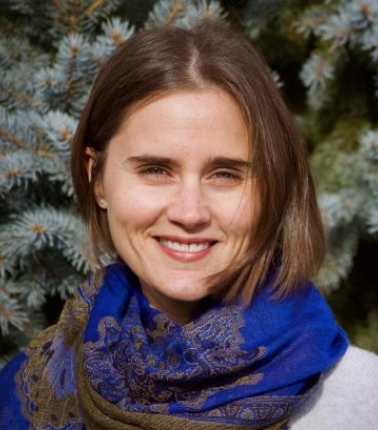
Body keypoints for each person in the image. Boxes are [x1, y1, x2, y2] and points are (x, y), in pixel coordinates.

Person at [0, 20, 377, 430]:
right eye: (156, 169)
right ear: (98, 180)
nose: (190, 212)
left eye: (225, 174)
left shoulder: (360, 403)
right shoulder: (24, 390)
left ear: (272, 188)